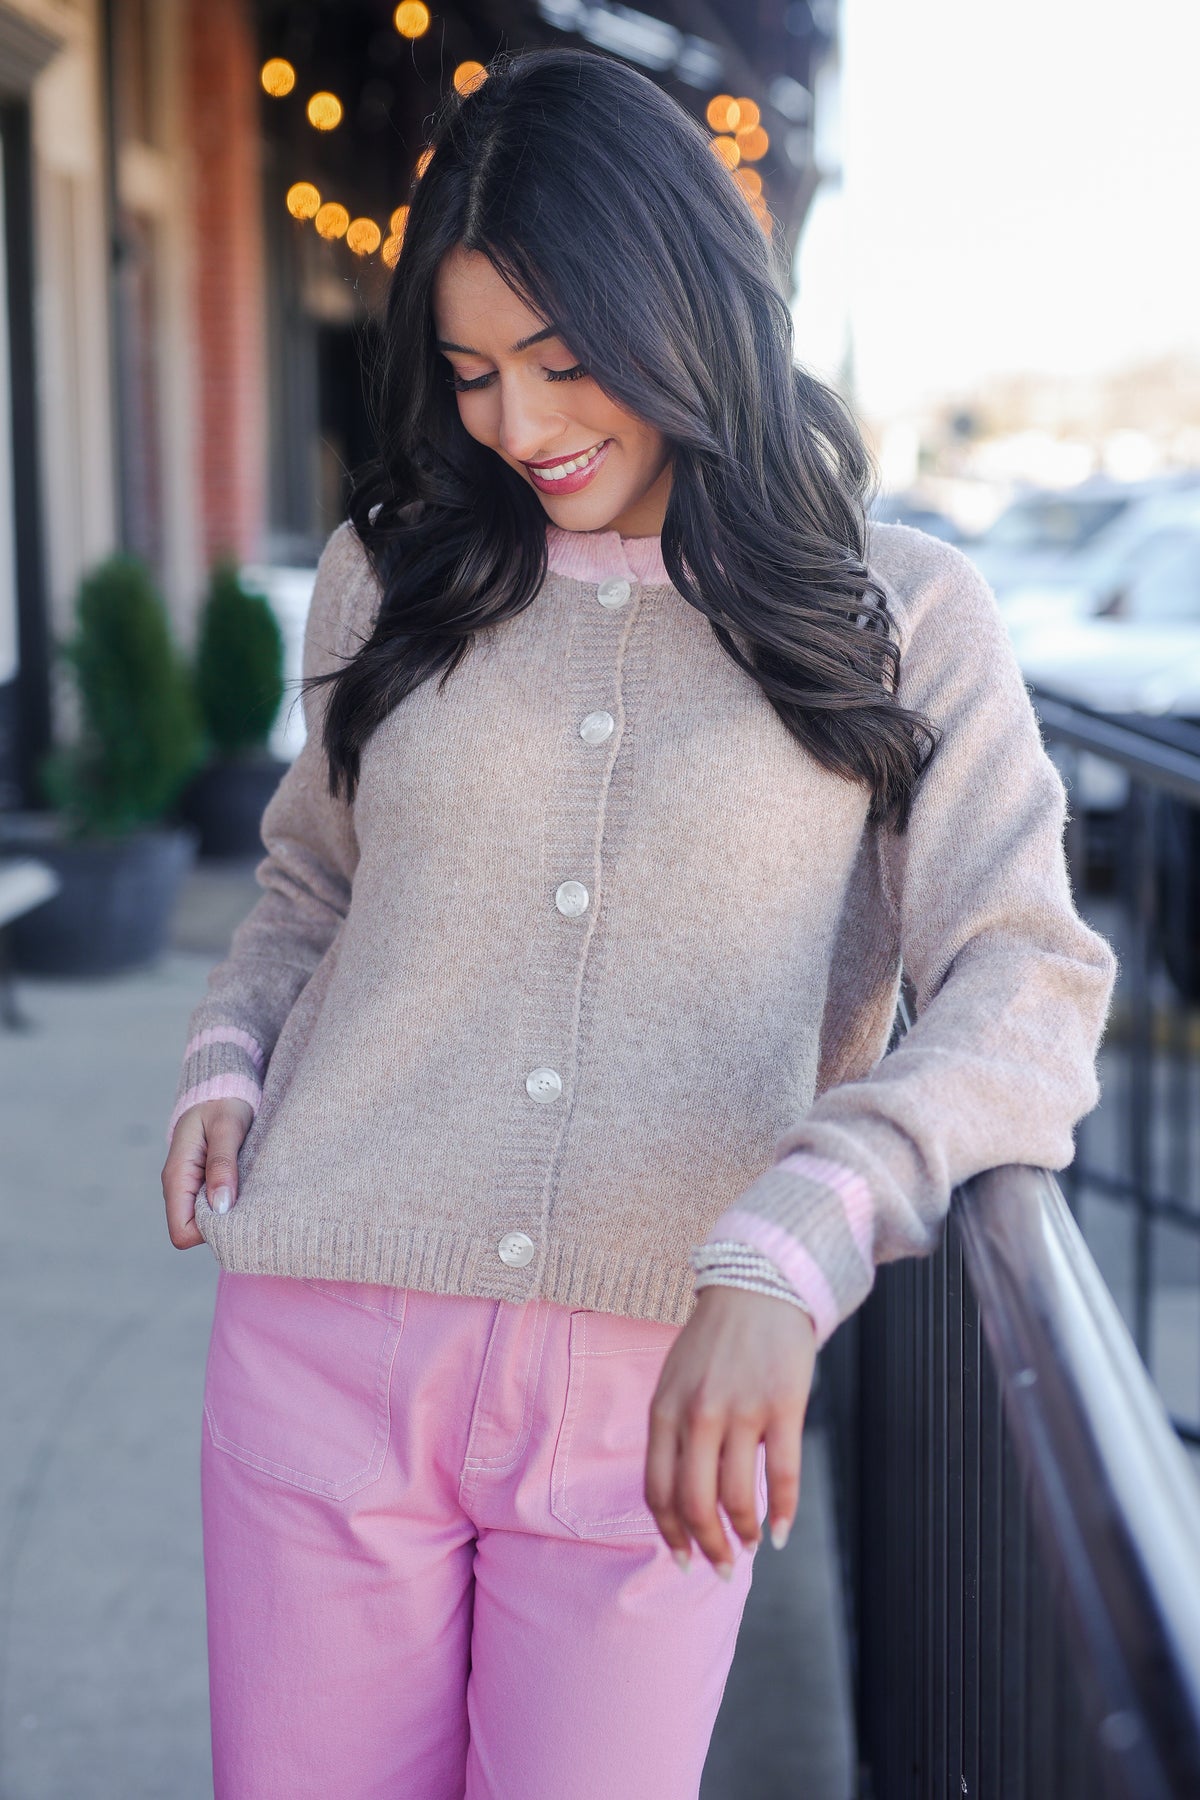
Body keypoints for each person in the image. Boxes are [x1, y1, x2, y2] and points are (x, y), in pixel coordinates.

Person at [160, 45, 1116, 1800]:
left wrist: (803, 1236)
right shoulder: (399, 570)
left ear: (688, 310)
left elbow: (1030, 980)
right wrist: (232, 1052)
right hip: (321, 1342)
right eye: (468, 374)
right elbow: (312, 878)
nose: (515, 427)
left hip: (668, 1398)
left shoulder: (897, 615)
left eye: (562, 362)